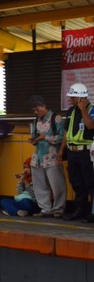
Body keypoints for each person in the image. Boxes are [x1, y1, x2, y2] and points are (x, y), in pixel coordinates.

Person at [28, 95, 66, 218]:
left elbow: (62, 137)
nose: (36, 112)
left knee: (57, 184)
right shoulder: (36, 120)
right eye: (34, 110)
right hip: (37, 158)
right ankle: (45, 209)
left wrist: (45, 137)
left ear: (44, 106)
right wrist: (34, 140)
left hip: (52, 157)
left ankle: (59, 208)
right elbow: (35, 136)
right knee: (39, 184)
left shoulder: (56, 118)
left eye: (37, 109)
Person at [60, 83, 94, 221]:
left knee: (90, 183)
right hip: (72, 152)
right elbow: (66, 133)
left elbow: (90, 126)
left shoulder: (91, 109)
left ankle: (92, 213)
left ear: (80, 98)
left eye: (73, 97)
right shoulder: (70, 111)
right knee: (77, 183)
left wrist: (83, 109)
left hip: (86, 153)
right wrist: (61, 150)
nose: (70, 99)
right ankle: (80, 211)